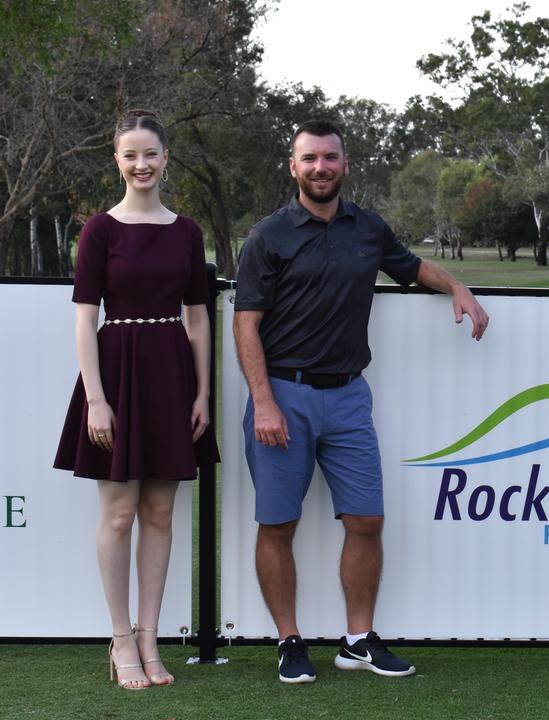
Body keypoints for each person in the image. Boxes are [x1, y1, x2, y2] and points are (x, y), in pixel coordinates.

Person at [233, 120, 489, 684]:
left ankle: (357, 640)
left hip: (349, 397)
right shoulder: (268, 236)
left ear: (345, 165)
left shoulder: (367, 228)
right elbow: (245, 324)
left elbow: (410, 267)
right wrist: (265, 401)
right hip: (283, 394)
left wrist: (456, 286)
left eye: (330, 158)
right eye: (309, 159)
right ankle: (289, 641)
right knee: (278, 523)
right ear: (293, 167)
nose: (320, 168)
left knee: (367, 520)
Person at [54, 110, 220, 690]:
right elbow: (84, 319)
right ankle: (120, 639)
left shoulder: (188, 231)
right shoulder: (100, 230)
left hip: (172, 376)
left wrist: (202, 392)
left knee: (159, 513)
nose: (141, 164)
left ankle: (151, 640)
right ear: (117, 161)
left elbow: (198, 318)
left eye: (150, 153)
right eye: (130, 155)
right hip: (116, 376)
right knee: (119, 513)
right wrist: (96, 400)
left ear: (166, 158)